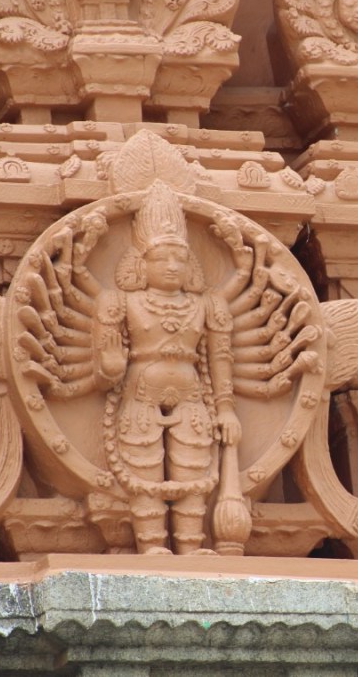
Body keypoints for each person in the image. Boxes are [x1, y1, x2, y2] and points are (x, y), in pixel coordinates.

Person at [95, 181, 242, 555]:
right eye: (162, 258)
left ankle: (191, 548)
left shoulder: (206, 305)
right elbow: (106, 366)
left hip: (192, 394)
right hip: (140, 393)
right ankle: (152, 546)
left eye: (180, 257)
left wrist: (225, 408)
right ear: (141, 262)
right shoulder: (120, 302)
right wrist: (109, 368)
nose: (173, 266)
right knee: (143, 467)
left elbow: (220, 357)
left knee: (194, 467)